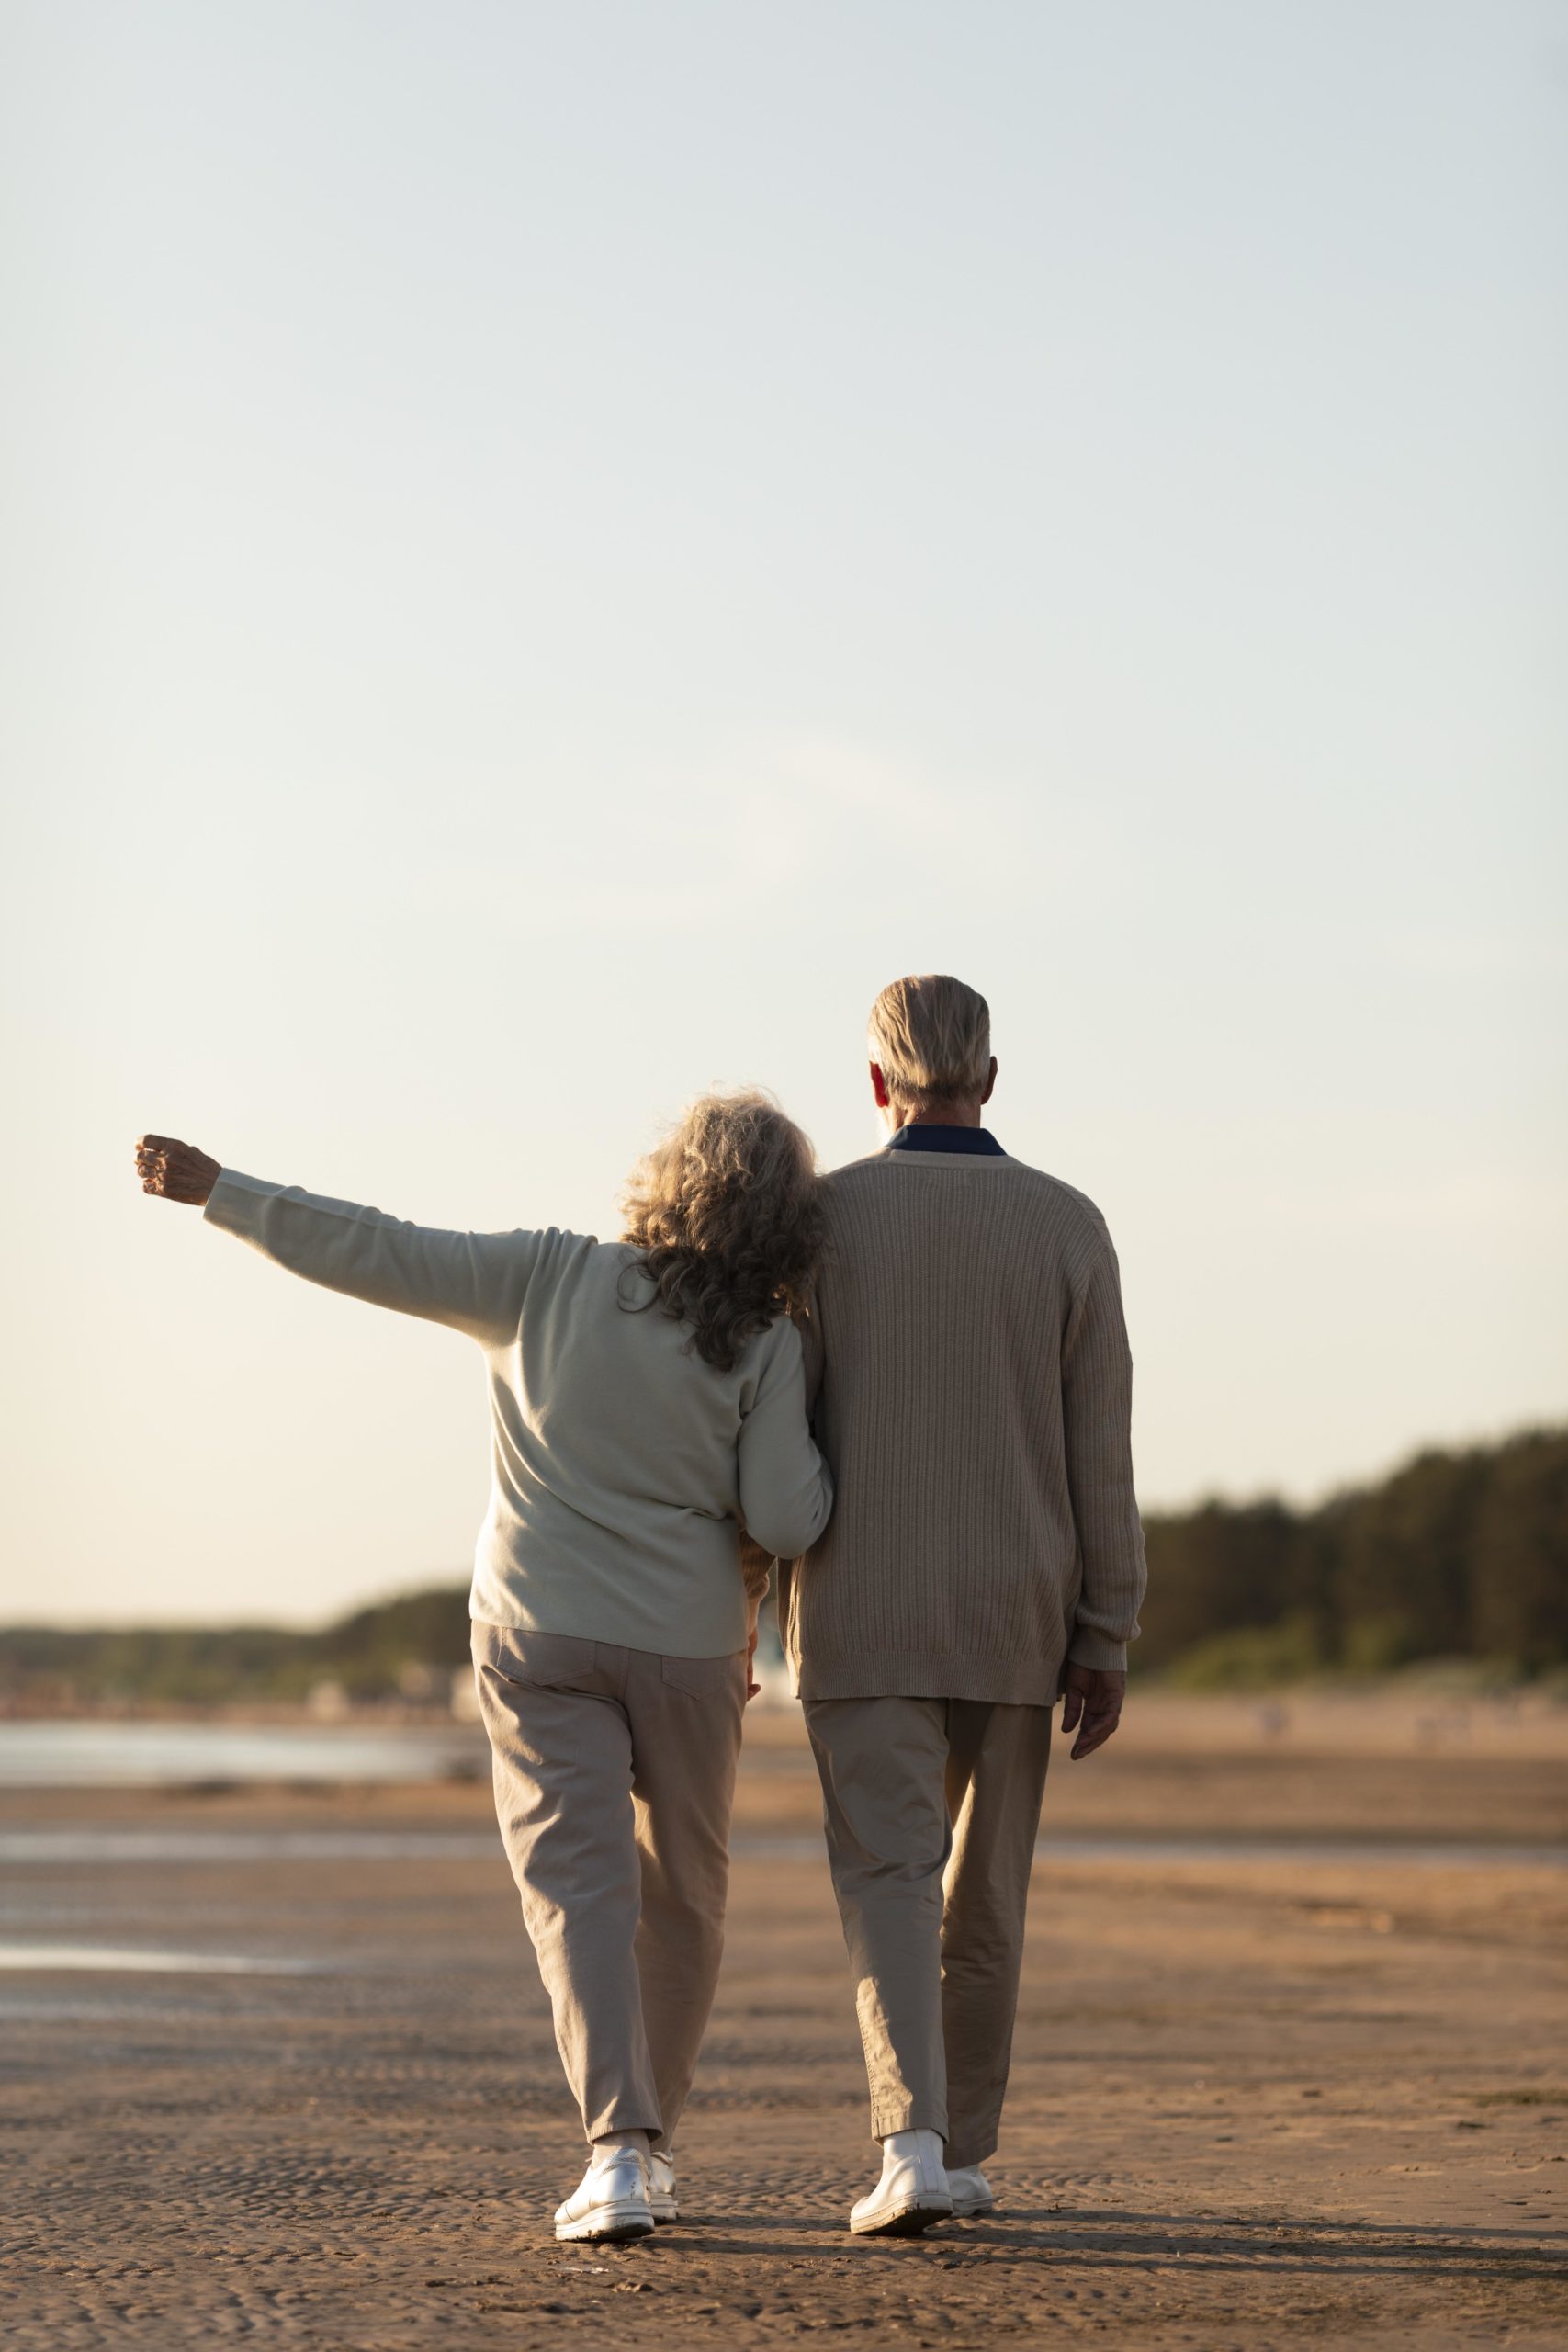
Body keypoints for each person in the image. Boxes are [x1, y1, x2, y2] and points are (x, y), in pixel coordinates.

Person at [134, 1093, 833, 2243]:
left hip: (539, 1630)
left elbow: (379, 1247)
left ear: (666, 1176)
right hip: (688, 1646)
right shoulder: (766, 1334)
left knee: (581, 1893)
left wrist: (227, 1192)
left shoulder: (549, 1275)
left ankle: (614, 2152)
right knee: (685, 1897)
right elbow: (786, 1518)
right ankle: (647, 2148)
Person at [766, 973, 1146, 2236]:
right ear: (989, 1076)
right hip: (1017, 1611)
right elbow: (1101, 1452)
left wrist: (743, 1599)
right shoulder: (1065, 1224)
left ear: (876, 1083)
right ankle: (952, 2146)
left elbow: (776, 1439)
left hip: (858, 1607)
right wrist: (1105, 1632)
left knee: (886, 1876)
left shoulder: (815, 1223)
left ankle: (913, 2146)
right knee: (985, 1892)